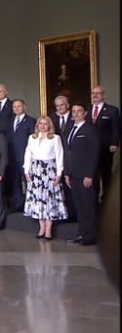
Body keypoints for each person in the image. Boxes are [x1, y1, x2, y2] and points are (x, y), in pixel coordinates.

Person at [23, 116, 67, 240]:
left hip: (49, 171)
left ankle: (48, 230)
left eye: (45, 124)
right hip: (35, 171)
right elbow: (28, 154)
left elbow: (59, 156)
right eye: (40, 124)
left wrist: (59, 174)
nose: (42, 126)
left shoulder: (55, 138)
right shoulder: (32, 138)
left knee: (48, 200)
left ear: (49, 125)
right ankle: (41, 228)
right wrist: (26, 171)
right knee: (38, 199)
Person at [64, 103, 100, 246]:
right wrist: (67, 173)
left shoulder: (90, 130)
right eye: (73, 111)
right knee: (79, 206)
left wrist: (89, 175)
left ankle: (90, 236)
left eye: (79, 111)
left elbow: (94, 153)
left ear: (85, 113)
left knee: (88, 207)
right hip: (73, 175)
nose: (76, 113)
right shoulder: (71, 130)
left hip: (85, 176)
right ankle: (82, 233)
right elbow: (68, 154)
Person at [88, 85, 121, 196]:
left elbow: (116, 128)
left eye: (98, 93)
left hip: (105, 149)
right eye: (93, 93)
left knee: (106, 174)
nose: (95, 95)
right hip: (90, 150)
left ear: (103, 95)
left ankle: (106, 200)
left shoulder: (112, 110)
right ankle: (94, 200)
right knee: (92, 174)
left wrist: (114, 143)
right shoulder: (86, 110)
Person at [8, 99, 36, 212]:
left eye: (19, 106)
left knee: (28, 180)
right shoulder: (10, 121)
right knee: (15, 181)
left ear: (24, 107)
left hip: (25, 157)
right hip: (13, 156)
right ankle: (18, 203)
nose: (16, 108)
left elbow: (33, 140)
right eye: (14, 106)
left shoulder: (31, 121)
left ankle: (31, 204)